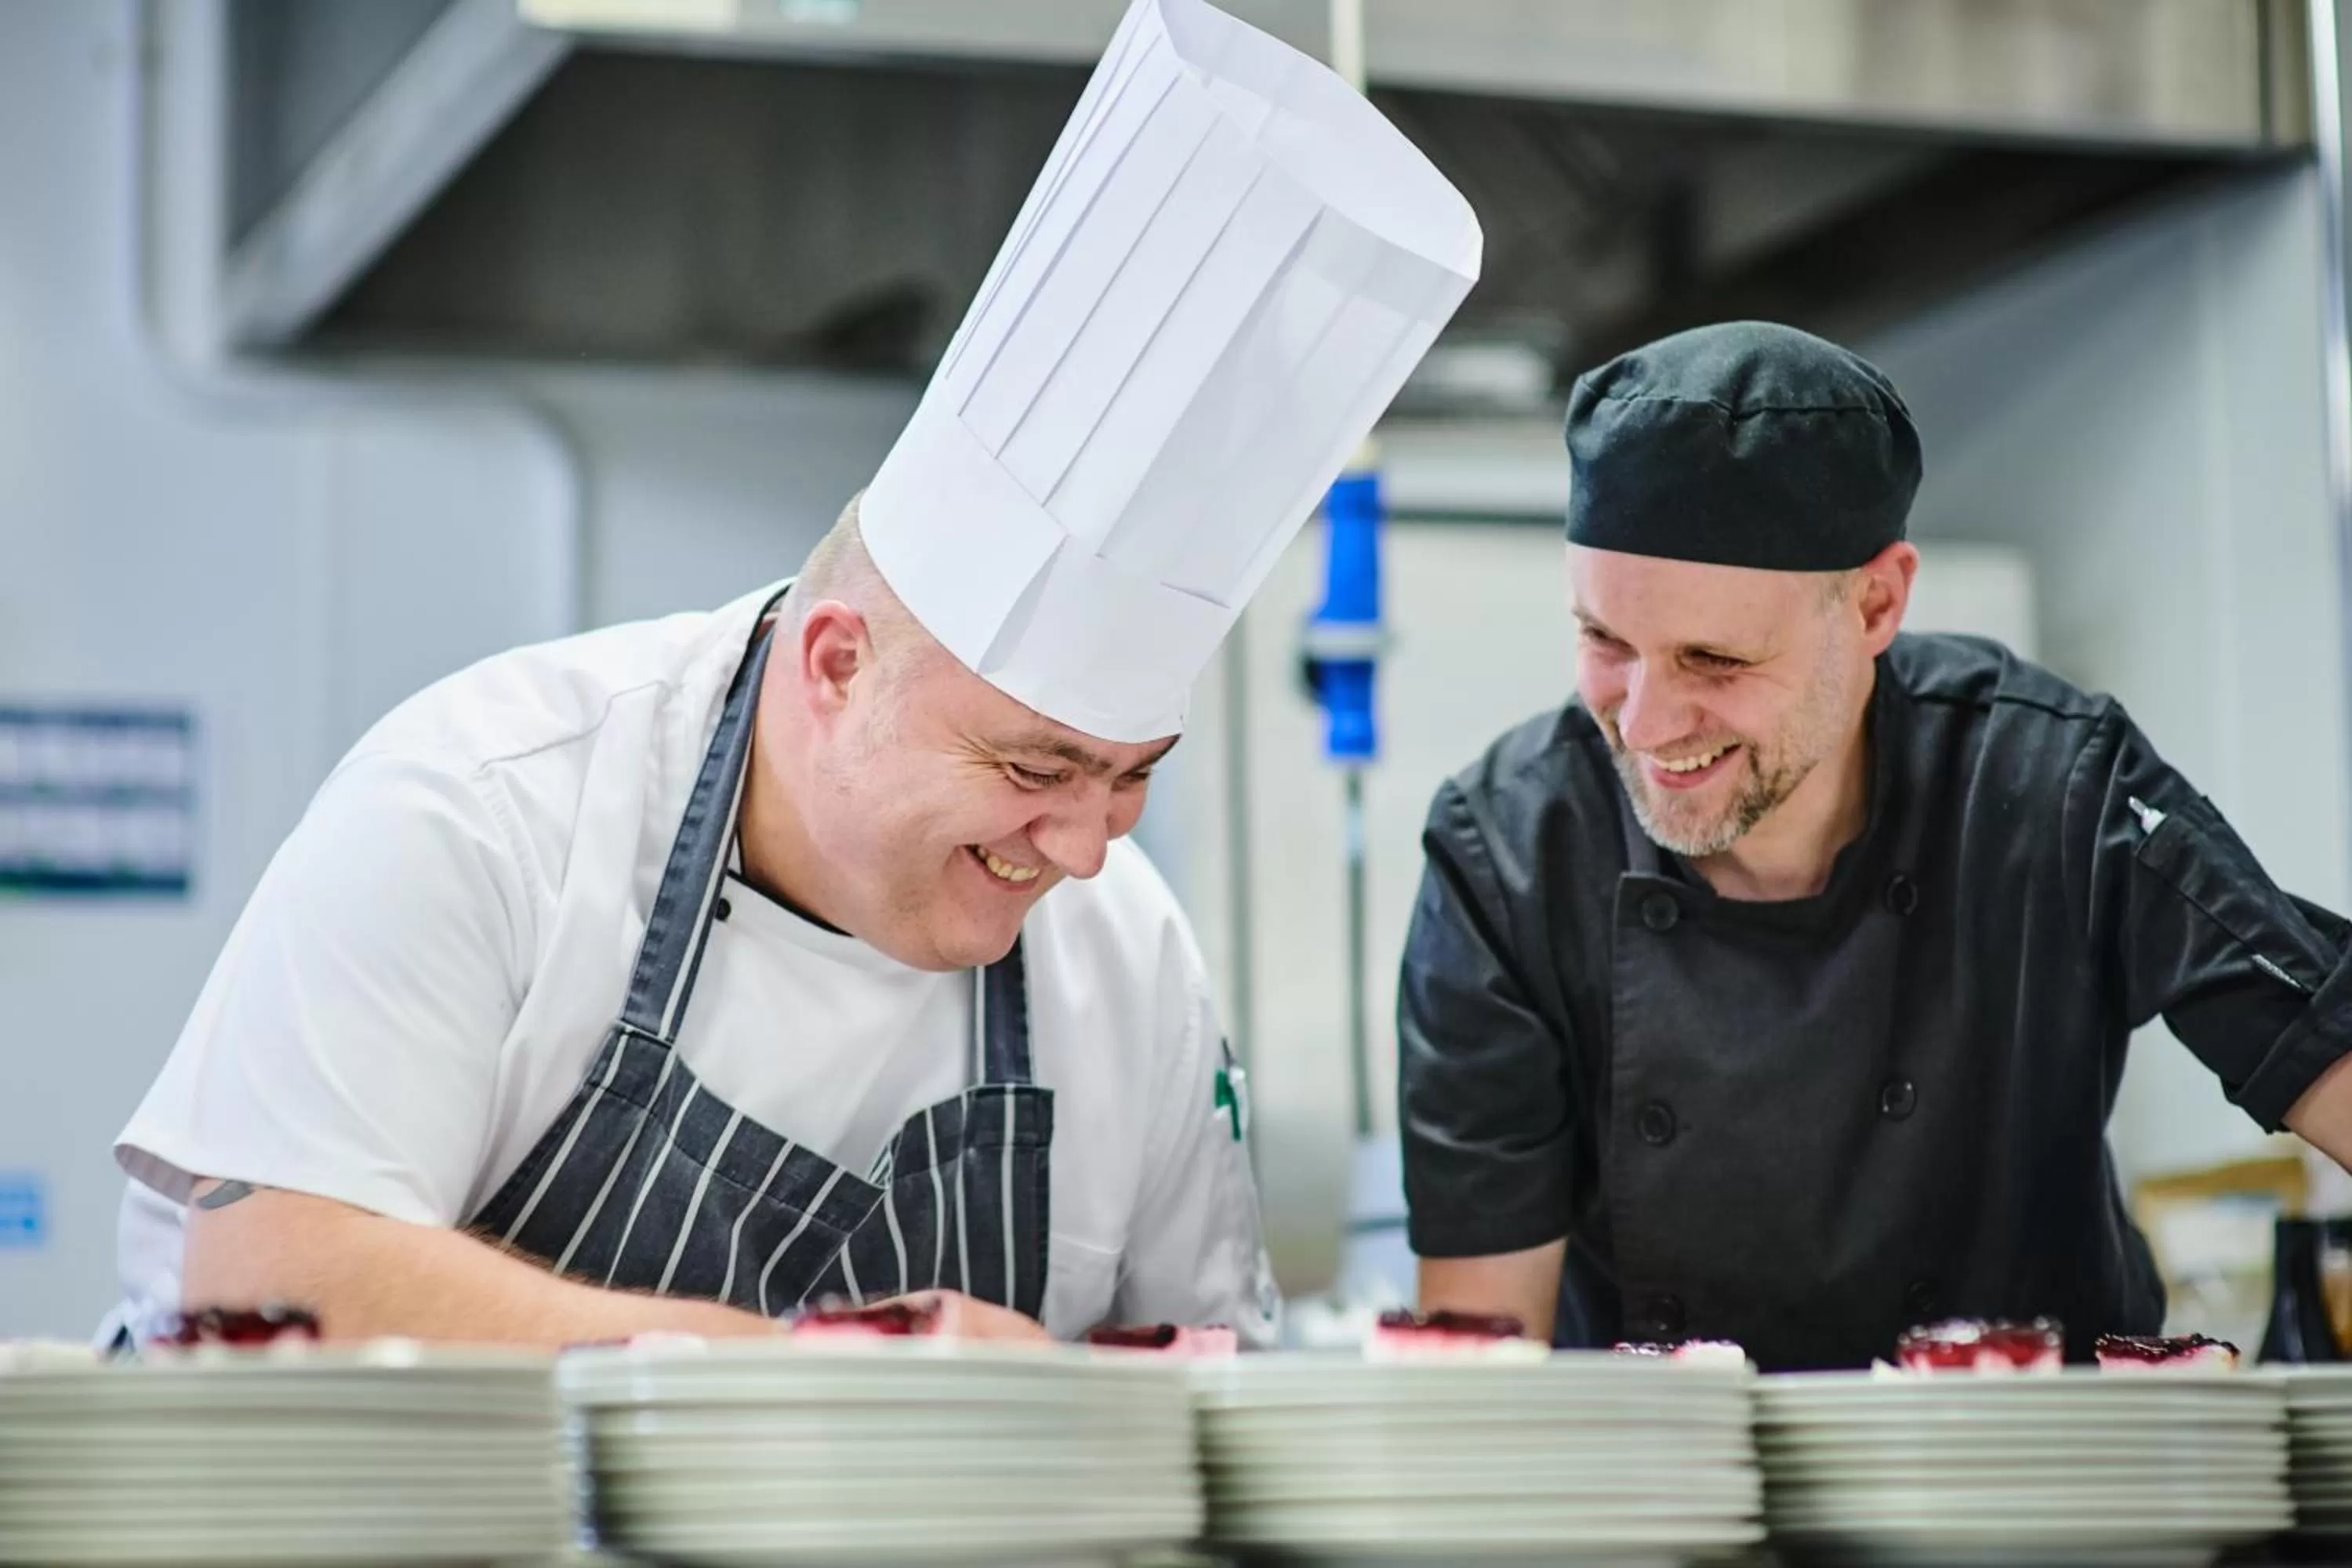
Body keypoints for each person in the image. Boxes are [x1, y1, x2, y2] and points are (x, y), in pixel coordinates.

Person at [104, 0, 1482, 1349]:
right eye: (1032, 767)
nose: (1080, 848)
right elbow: (270, 1278)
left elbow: (1207, 1384)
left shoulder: (1131, 969)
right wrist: (829, 1377)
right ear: (836, 664)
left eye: (1128, 782)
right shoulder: (483, 809)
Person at [1396, 320, 2352, 1371]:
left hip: (2044, 1502)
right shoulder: (1508, 855)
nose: (1647, 721)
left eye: (1714, 659)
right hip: (1657, 1508)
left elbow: (2322, 1047)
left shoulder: (2045, 788)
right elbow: (1485, 1363)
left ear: (1877, 602)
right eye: (1604, 642)